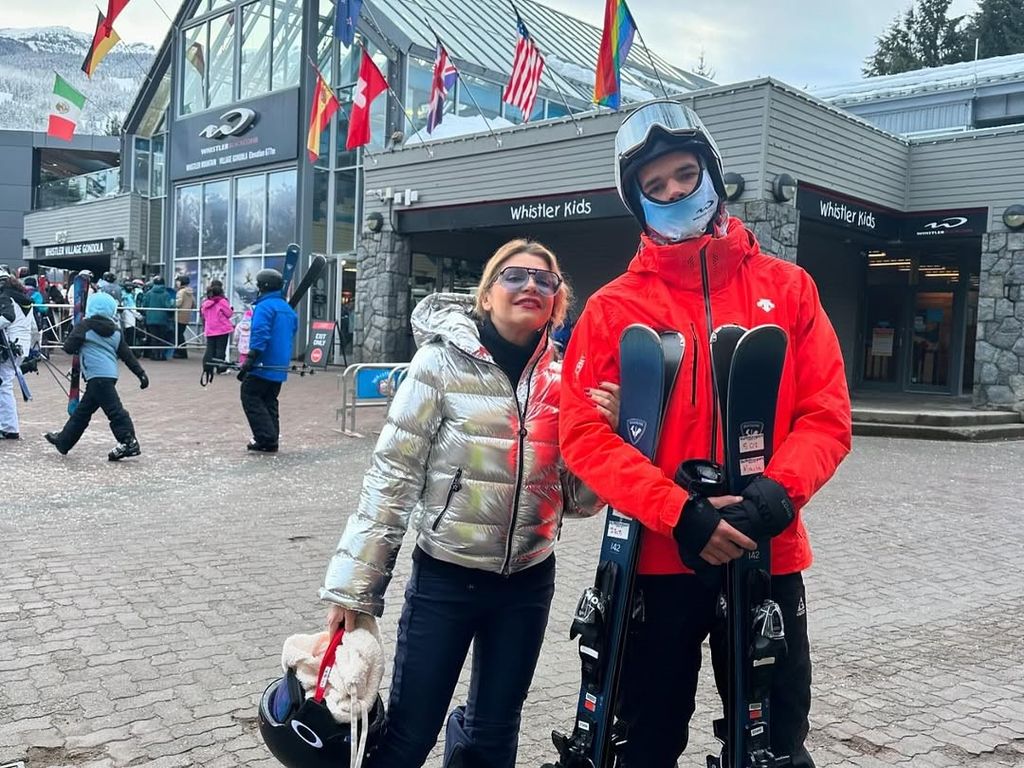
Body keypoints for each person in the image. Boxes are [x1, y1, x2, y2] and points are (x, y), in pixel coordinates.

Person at [557, 101, 852, 768]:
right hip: (655, 561)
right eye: (654, 188)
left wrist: (777, 494)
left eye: (685, 175)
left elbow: (826, 414)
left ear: (713, 175)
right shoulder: (611, 309)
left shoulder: (789, 288)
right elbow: (580, 434)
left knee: (774, 745)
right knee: (643, 741)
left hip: (764, 549)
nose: (674, 194)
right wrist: (677, 513)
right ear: (637, 202)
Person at [320, 239, 620, 768]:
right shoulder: (436, 365)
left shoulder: (564, 379)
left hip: (528, 583)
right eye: (514, 275)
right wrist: (353, 589)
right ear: (486, 295)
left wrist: (609, 436)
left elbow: (574, 499)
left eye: (545, 280)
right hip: (446, 579)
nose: (531, 285)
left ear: (557, 301)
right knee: (410, 733)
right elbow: (390, 478)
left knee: (494, 734)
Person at [44, 291, 148, 461]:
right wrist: (141, 374)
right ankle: (64, 441)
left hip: (96, 376)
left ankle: (128, 441)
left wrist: (76, 335)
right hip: (108, 375)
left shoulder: (85, 326)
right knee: (82, 412)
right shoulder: (115, 330)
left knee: (115, 411)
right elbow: (127, 355)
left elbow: (69, 347)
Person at [237, 268, 298, 452]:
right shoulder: (287, 308)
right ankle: (271, 438)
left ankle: (265, 438)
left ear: (263, 286)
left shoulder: (264, 307)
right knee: (269, 400)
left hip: (263, 362)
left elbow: (261, 333)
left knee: (250, 395)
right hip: (279, 364)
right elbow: (292, 332)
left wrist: (251, 357)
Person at [0, 269, 40, 439]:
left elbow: (7, 318)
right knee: (5, 384)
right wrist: (32, 349)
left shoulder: (5, 297)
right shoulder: (26, 300)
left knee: (4, 386)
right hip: (20, 348)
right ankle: (8, 425)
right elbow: (34, 329)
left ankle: (9, 427)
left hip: (8, 346)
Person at [200, 279, 234, 375]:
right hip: (222, 329)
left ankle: (207, 367)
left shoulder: (205, 303)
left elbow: (203, 314)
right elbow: (229, 314)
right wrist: (231, 309)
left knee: (210, 349)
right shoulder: (222, 301)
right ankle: (220, 368)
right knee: (220, 349)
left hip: (210, 329)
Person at [139, 276, 174, 360]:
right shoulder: (166, 294)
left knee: (153, 337)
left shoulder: (149, 293)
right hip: (163, 319)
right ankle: (161, 355)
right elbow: (168, 306)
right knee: (161, 337)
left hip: (150, 319)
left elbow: (144, 305)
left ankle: (154, 355)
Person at [173, 274, 195, 359]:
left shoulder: (181, 292)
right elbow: (194, 304)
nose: (177, 283)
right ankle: (182, 352)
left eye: (178, 281)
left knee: (178, 334)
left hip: (179, 315)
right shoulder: (190, 292)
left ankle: (181, 352)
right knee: (180, 334)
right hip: (187, 315)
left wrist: (172, 303)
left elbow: (178, 303)